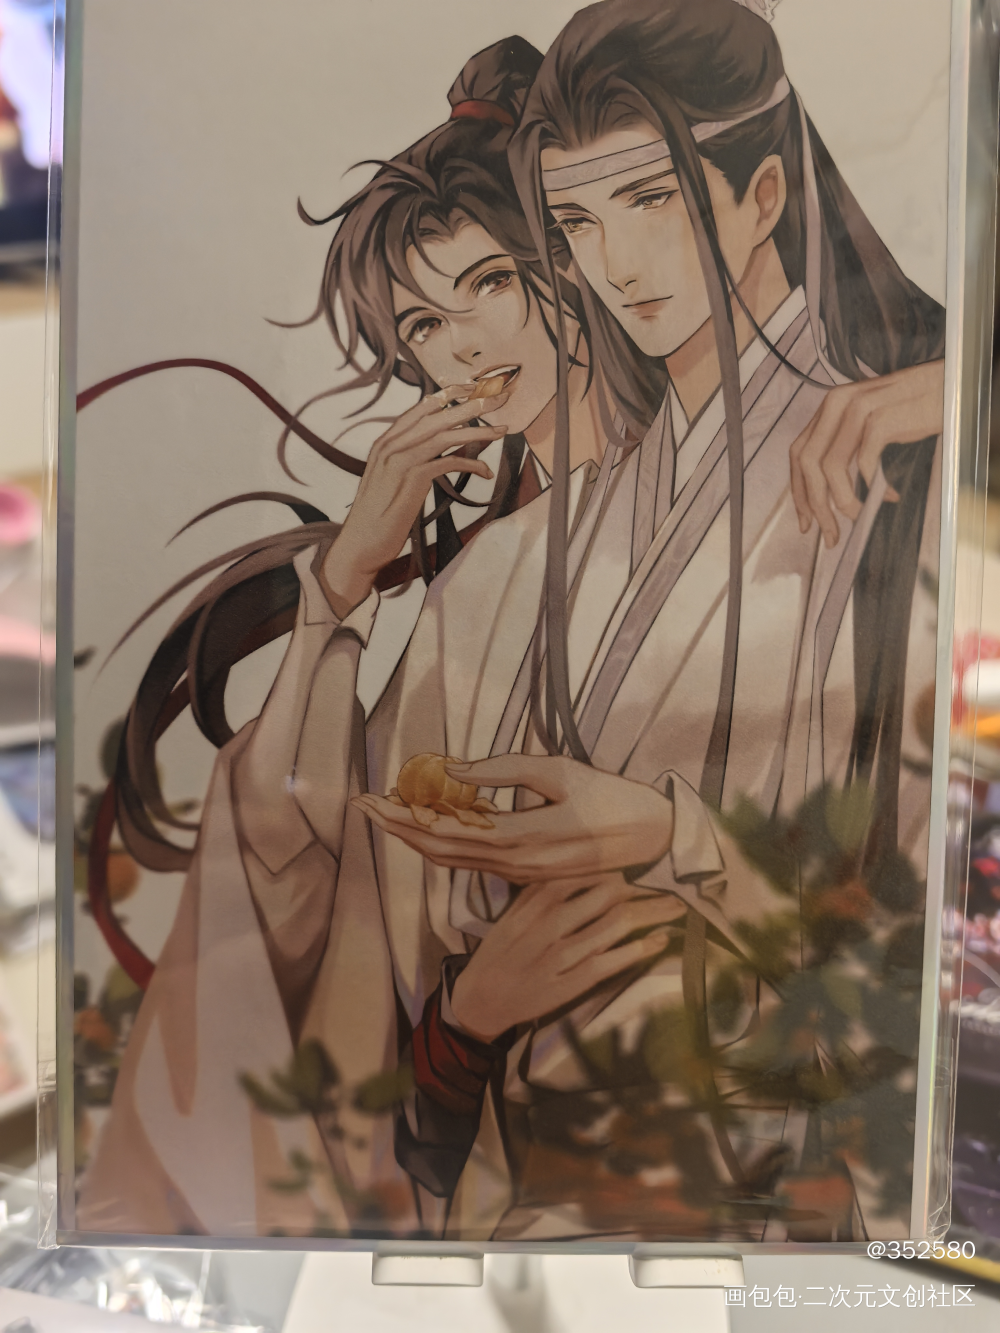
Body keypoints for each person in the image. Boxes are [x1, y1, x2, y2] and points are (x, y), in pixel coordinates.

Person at [77, 2, 945, 1244]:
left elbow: (908, 903)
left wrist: (664, 838)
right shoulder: (496, 575)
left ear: (760, 196)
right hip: (527, 1171)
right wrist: (338, 590)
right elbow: (328, 862)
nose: (467, 347)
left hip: (755, 1177)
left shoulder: (865, 448)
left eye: (492, 281)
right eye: (423, 327)